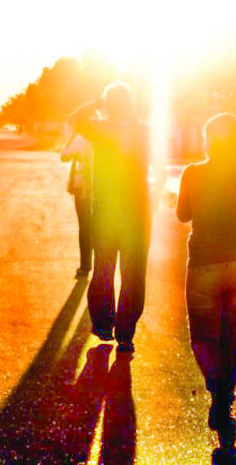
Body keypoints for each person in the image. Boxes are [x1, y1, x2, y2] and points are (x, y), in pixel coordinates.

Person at [176, 113, 236, 453]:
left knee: (203, 338)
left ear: (207, 141)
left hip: (204, 263)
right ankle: (224, 400)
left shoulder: (193, 174)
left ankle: (217, 391)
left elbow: (182, 214)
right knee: (231, 338)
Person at [66, 83, 166, 354]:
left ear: (108, 105)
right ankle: (125, 335)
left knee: (104, 269)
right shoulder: (144, 131)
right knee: (134, 273)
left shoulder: (101, 129)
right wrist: (154, 198)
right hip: (137, 212)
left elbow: (74, 118)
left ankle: (103, 325)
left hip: (105, 213)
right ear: (131, 104)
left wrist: (97, 102)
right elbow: (161, 169)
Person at [60, 131, 94, 278]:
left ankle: (85, 266)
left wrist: (72, 136)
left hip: (84, 188)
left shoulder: (81, 138)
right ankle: (100, 266)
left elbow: (64, 156)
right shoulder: (105, 135)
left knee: (85, 227)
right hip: (103, 187)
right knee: (99, 227)